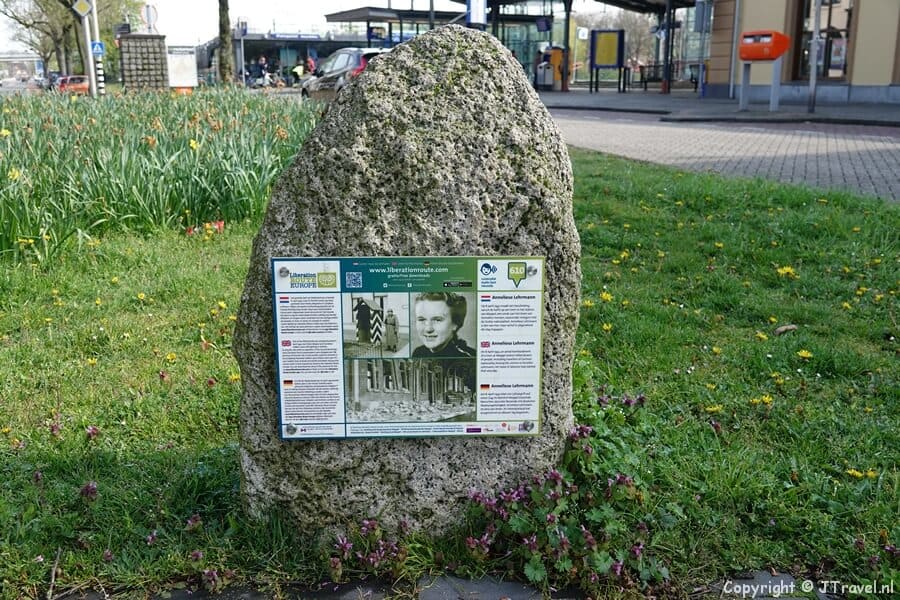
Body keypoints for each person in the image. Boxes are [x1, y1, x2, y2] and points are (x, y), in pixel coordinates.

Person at [411, 292, 475, 358]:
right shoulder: (418, 352)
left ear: (455, 323)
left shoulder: (469, 357)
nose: (428, 329)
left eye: (437, 320)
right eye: (421, 320)